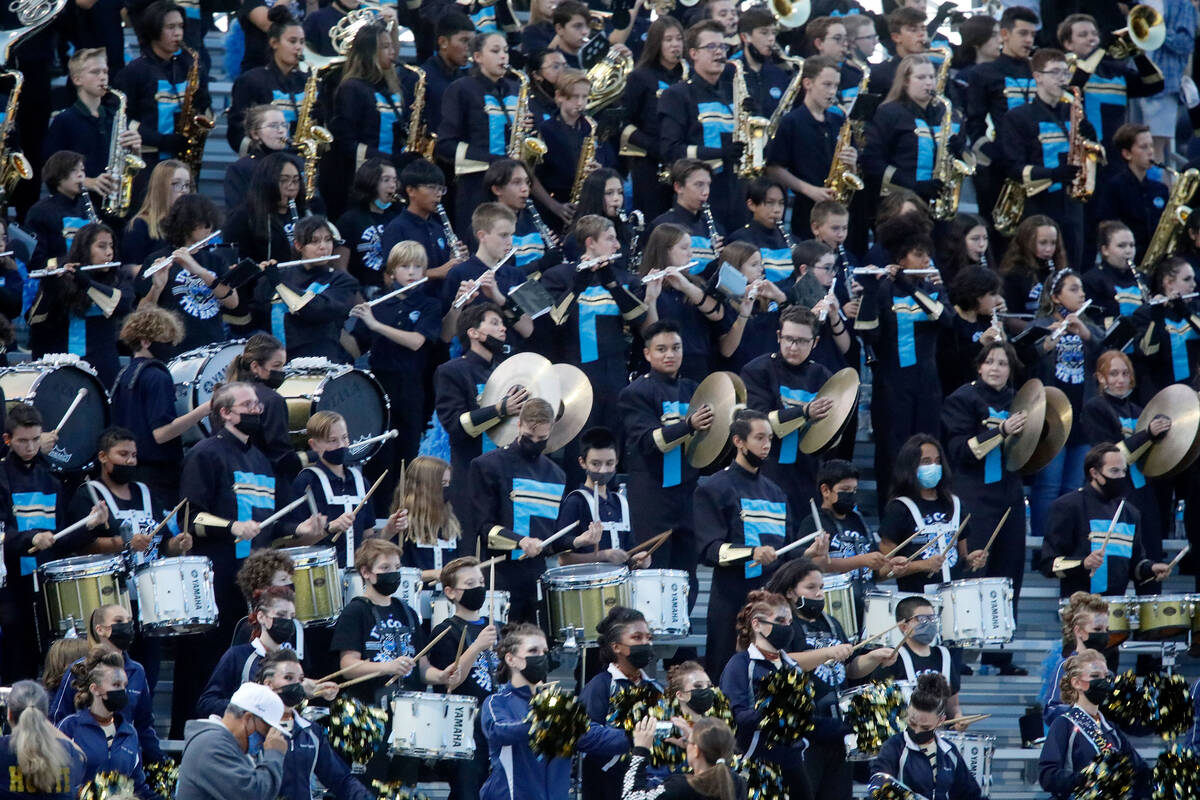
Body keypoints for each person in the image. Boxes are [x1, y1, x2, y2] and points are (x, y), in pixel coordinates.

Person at [765, 559, 896, 798]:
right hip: (802, 728)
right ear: (790, 592)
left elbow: (851, 668)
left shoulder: (832, 622)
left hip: (836, 726)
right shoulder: (785, 625)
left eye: (822, 587)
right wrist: (825, 653)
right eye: (811, 587)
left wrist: (875, 657)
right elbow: (780, 660)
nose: (819, 593)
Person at [619, 320, 712, 625]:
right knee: (652, 573)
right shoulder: (636, 392)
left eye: (676, 348)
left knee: (688, 575)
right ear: (647, 354)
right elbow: (647, 442)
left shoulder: (694, 389)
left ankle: (680, 643)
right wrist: (688, 425)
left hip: (688, 494)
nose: (670, 354)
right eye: (661, 349)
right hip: (652, 498)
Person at [855, 229, 952, 507]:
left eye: (928, 255)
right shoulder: (884, 289)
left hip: (927, 386)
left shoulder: (933, 288)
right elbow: (867, 334)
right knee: (891, 453)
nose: (926, 261)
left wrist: (910, 286)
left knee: (928, 450)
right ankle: (891, 515)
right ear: (901, 258)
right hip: (892, 385)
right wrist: (871, 290)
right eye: (919, 255)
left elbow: (946, 319)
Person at [472, 399, 589, 624]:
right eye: (529, 436)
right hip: (500, 575)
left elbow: (550, 540)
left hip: (536, 579)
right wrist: (521, 541)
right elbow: (483, 527)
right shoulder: (488, 465)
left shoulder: (557, 474)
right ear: (518, 425)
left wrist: (577, 541)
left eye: (542, 439)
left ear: (551, 431)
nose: (535, 442)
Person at [542, 214, 646, 441]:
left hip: (615, 374)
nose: (617, 245)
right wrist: (577, 286)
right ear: (591, 243)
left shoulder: (623, 278)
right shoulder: (559, 276)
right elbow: (554, 320)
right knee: (578, 438)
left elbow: (639, 319)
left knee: (612, 438)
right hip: (576, 374)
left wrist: (613, 285)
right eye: (610, 239)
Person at [434, 301, 524, 552]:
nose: (503, 329)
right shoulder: (452, 371)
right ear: (473, 332)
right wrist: (499, 410)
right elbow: (454, 425)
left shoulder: (507, 372)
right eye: (494, 323)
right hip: (470, 477)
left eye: (503, 324)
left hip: (506, 475)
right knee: (472, 552)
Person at [997, 48, 1096, 268]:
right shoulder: (1018, 117)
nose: (1062, 78)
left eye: (1065, 72)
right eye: (1055, 73)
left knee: (1073, 266)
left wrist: (1091, 140)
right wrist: (1053, 174)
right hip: (1038, 206)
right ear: (1038, 76)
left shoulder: (1073, 111)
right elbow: (1012, 166)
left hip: (1072, 206)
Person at [330, 539, 461, 704]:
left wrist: (442, 676)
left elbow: (421, 667)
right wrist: (387, 667)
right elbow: (348, 666)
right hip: (369, 710)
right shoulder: (356, 611)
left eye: (397, 568)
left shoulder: (408, 612)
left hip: (407, 709)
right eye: (385, 568)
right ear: (365, 572)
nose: (393, 573)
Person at [1026, 269, 1104, 539]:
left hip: (1083, 417)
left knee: (1073, 485)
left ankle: (1063, 543)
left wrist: (1087, 334)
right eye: (1073, 289)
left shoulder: (1090, 325)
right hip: (1052, 418)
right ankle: (1040, 545)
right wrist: (1049, 339)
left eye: (1081, 288)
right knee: (1048, 484)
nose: (1081, 293)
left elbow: (1109, 353)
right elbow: (1024, 356)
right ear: (1056, 296)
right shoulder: (1041, 324)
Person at [1039, 442, 1170, 597]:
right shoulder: (1068, 506)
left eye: (1123, 471)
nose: (1121, 477)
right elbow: (1048, 564)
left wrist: (1150, 568)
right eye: (1114, 471)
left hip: (1116, 609)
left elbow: (1135, 563)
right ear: (1094, 473)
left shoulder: (1130, 512)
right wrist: (1083, 563)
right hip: (1080, 609)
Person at [719, 591, 812, 800]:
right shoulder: (740, 664)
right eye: (779, 620)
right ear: (756, 624)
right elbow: (736, 718)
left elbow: (804, 719)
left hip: (793, 762)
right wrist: (776, 709)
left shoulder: (792, 667)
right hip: (753, 763)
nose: (786, 627)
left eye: (789, 621)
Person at [1081, 350, 1170, 568]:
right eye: (1113, 374)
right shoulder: (1095, 407)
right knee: (1113, 565)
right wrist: (1147, 434)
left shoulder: (1139, 410)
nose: (1120, 380)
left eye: (1125, 373)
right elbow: (1109, 454)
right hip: (1112, 493)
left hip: (1142, 490)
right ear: (1101, 378)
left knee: (1150, 557)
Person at [740, 306, 834, 512]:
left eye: (801, 341)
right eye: (788, 339)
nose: (793, 346)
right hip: (767, 468)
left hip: (808, 472)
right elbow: (759, 422)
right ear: (778, 337)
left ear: (815, 342)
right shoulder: (757, 370)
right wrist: (804, 413)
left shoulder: (823, 376)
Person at [47, 605, 162, 768]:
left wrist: (160, 762)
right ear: (100, 629)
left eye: (129, 621)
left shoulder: (137, 671)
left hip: (124, 761)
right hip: (84, 764)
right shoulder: (79, 669)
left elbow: (144, 724)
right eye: (119, 621)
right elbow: (57, 718)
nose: (127, 625)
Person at [425, 557, 501, 800]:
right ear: (451, 592)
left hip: (496, 717)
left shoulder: (495, 626)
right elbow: (451, 682)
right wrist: (477, 646)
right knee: (467, 790)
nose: (478, 587)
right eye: (469, 583)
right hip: (463, 724)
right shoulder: (445, 630)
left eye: (481, 581)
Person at [658, 21, 746, 228]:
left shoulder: (737, 93)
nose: (719, 53)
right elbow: (670, 150)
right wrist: (719, 153)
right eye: (711, 47)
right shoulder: (677, 95)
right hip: (700, 199)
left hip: (738, 194)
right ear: (694, 53)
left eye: (723, 46)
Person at [436, 31, 522, 237]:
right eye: (495, 51)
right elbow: (445, 145)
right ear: (477, 57)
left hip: (512, 187)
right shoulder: (461, 89)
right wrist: (496, 161)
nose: (503, 56)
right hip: (476, 185)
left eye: (506, 51)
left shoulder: (516, 88)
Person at [27, 221, 131, 388]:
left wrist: (86, 282)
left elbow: (122, 304)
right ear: (84, 248)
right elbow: (35, 320)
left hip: (102, 365)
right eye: (102, 247)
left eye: (111, 246)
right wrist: (49, 289)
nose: (109, 252)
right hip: (63, 365)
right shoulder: (63, 275)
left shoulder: (118, 278)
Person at [1037, 650, 1151, 799]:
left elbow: (1139, 771)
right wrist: (1084, 779)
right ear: (1076, 682)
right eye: (1095, 676)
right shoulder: (1064, 723)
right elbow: (1047, 775)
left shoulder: (1110, 728)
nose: (1104, 682)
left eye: (1107, 677)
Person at [254, 649, 366, 800]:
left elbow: (342, 780)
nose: (296, 685)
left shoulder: (311, 731)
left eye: (300, 680)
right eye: (288, 678)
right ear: (268, 684)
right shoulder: (251, 727)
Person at [136, 192, 238, 354]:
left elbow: (233, 302)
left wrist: (198, 271)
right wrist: (156, 287)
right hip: (172, 349)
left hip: (210, 349)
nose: (209, 229)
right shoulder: (158, 259)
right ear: (187, 223)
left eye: (211, 224)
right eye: (204, 224)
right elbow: (142, 314)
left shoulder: (216, 261)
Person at [114, 2, 211, 169]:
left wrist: (203, 107)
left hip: (185, 159)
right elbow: (122, 119)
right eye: (170, 27)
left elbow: (206, 116)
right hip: (148, 160)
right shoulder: (135, 71)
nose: (178, 33)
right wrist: (161, 140)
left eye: (180, 26)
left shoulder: (191, 65)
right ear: (154, 30)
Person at [578, 608, 663, 799]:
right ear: (616, 647)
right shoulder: (601, 685)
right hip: (604, 788)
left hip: (645, 788)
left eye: (648, 638)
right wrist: (632, 738)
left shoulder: (656, 688)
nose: (646, 643)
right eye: (637, 638)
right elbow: (582, 733)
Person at [964, 6, 1036, 220]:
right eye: (1023, 33)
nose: (1029, 40)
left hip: (1038, 166)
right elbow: (974, 124)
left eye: (1033, 34)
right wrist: (997, 155)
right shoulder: (983, 73)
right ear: (1004, 34)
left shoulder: (1039, 70)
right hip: (1000, 171)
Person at [255, 215, 361, 362]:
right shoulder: (280, 275)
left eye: (328, 240)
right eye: (314, 241)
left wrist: (278, 283)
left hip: (321, 362)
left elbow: (317, 310)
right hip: (279, 363)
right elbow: (252, 317)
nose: (323, 247)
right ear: (298, 245)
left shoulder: (342, 281)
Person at [634, 223, 729, 382]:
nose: (690, 254)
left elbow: (717, 314)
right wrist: (651, 299)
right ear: (665, 251)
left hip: (697, 365)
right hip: (661, 369)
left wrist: (685, 286)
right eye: (684, 248)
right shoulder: (643, 287)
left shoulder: (696, 284)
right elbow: (649, 333)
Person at [56, 648, 153, 799]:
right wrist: (90, 795)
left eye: (124, 685)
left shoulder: (129, 733)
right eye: (116, 685)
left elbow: (138, 786)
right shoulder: (70, 727)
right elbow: (54, 783)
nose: (123, 691)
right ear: (95, 689)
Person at [196, 587, 305, 719]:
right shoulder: (238, 655)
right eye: (281, 615)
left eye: (291, 617)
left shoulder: (293, 661)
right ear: (261, 617)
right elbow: (206, 703)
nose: (287, 621)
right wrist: (246, 707)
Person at [871, 673, 982, 800]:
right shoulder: (894, 746)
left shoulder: (949, 752)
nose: (917, 731)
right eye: (912, 723)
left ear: (941, 721)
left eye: (925, 727)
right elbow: (878, 784)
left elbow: (970, 794)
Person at [43, 49, 143, 185]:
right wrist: (88, 182)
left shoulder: (115, 117)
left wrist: (135, 151)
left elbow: (131, 170)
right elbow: (51, 171)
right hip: (77, 202)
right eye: (95, 72)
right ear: (77, 79)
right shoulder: (65, 120)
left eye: (105, 71)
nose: (103, 77)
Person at [175, 682, 288, 800]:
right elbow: (254, 795)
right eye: (265, 732)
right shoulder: (211, 744)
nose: (265, 741)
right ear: (248, 718)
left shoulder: (225, 744)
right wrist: (274, 754)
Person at [793, 460, 886, 602]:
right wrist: (861, 560)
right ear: (825, 490)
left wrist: (891, 568)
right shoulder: (814, 522)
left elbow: (874, 572)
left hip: (868, 601)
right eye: (845, 490)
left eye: (854, 490)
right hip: (835, 602)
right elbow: (815, 565)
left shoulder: (859, 521)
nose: (851, 494)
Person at [554, 427, 648, 568]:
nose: (603, 470)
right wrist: (603, 556)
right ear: (582, 462)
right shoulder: (576, 501)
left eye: (609, 463)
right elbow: (563, 559)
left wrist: (638, 559)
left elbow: (629, 548)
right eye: (596, 464)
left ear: (617, 461)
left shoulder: (620, 502)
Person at [623, 17, 687, 221]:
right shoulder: (640, 76)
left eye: (678, 38)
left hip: (684, 162)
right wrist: (654, 147)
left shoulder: (689, 75)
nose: (675, 44)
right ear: (656, 43)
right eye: (668, 39)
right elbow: (624, 123)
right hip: (651, 164)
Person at [441, 203, 534, 341]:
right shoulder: (458, 273)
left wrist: (500, 300)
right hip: (473, 358)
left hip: (512, 358)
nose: (510, 242)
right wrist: (458, 306)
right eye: (504, 235)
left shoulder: (517, 275)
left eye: (512, 235)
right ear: (482, 236)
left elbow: (528, 330)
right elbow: (446, 336)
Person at [227, 8, 306, 155]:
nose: (298, 47)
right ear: (274, 43)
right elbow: (236, 130)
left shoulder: (307, 80)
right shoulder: (251, 80)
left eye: (302, 42)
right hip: (262, 162)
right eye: (292, 41)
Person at [0, 680, 86, 800]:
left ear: (9, 714)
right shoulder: (69, 751)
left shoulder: (3, 750)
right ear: (45, 716)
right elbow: (82, 758)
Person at [624, 716, 747, 799]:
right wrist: (694, 741)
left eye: (689, 742)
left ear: (697, 751)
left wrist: (640, 750)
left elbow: (630, 797)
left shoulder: (681, 787)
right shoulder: (736, 783)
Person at [1096, 124, 1169, 264]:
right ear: (1127, 154)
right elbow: (1106, 227)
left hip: (1158, 261)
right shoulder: (1114, 187)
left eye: (1151, 146)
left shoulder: (1160, 189)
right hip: (1128, 260)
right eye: (1143, 147)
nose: (1150, 152)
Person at [1131, 257, 1200, 397]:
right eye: (1187, 279)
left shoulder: (1194, 308)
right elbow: (1147, 351)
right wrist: (1157, 319)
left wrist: (1186, 313)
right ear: (1168, 282)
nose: (1193, 284)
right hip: (1159, 393)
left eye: (1193, 279)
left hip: (1193, 390)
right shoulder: (1144, 313)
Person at [1041, 592, 1111, 728]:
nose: (1103, 634)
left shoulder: (1105, 668)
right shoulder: (1065, 666)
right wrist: (1084, 713)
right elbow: (1051, 712)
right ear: (1078, 631)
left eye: (1106, 629)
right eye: (1097, 629)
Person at [890, 596, 964, 721]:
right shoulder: (892, 657)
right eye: (922, 619)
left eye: (932, 618)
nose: (929, 624)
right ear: (904, 626)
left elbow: (953, 706)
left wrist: (958, 718)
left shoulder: (944, 655)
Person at [938, 264, 1005, 395]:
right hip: (958, 394)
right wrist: (980, 344)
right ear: (977, 295)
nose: (997, 300)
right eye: (992, 294)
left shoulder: (986, 319)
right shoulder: (950, 321)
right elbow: (948, 363)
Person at [24, 151, 95, 273]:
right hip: (58, 279)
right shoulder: (40, 212)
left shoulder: (86, 206)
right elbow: (36, 261)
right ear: (58, 177)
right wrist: (65, 263)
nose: (81, 175)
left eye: (82, 170)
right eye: (74, 170)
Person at [336, 159, 402, 286]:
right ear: (370, 181)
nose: (393, 185)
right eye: (386, 180)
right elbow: (340, 268)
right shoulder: (350, 220)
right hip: (363, 290)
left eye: (394, 180)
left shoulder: (398, 216)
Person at [395, 456, 461, 580]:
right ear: (425, 487)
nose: (447, 489)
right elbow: (397, 574)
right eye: (442, 483)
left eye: (448, 483)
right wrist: (435, 574)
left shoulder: (451, 525)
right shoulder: (402, 526)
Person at [222, 105, 296, 211]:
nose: (281, 131)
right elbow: (236, 210)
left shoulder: (295, 163)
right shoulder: (240, 168)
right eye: (273, 126)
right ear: (255, 134)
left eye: (284, 125)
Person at [727, 178, 797, 284]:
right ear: (752, 205)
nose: (777, 209)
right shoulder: (740, 239)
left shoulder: (792, 239)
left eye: (781, 203)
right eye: (770, 203)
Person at [124, 159, 190, 266]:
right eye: (176, 183)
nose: (184, 190)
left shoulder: (190, 224)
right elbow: (129, 269)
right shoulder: (140, 225)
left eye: (187, 185)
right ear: (160, 188)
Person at [998, 215, 1066, 319]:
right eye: (1043, 243)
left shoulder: (1057, 270)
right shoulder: (1013, 274)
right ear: (1026, 241)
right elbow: (1011, 319)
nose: (1049, 249)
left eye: (1053, 243)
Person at [1083, 221, 1146, 324]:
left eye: (1132, 245)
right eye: (1121, 246)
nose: (1128, 251)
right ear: (1105, 250)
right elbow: (1095, 321)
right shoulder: (1092, 280)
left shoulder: (1142, 277)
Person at [867, 7, 928, 97]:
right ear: (896, 37)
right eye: (913, 30)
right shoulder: (879, 73)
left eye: (923, 28)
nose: (921, 34)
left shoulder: (935, 68)